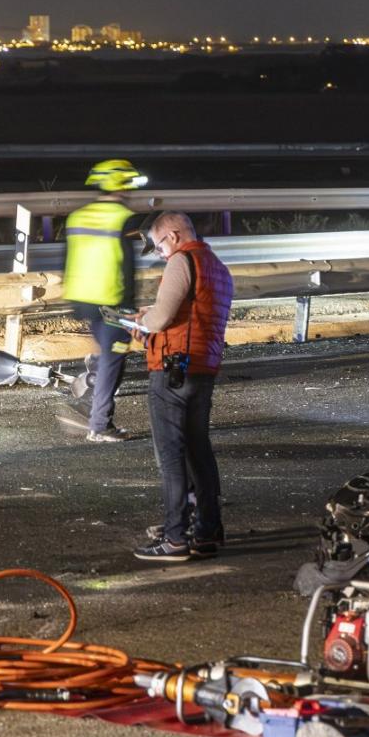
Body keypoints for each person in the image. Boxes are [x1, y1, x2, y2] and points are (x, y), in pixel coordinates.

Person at [133, 212, 233, 562]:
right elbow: (191, 312)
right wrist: (154, 316)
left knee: (172, 456)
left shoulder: (182, 260)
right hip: (203, 367)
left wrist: (141, 321)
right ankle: (208, 530)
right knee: (199, 452)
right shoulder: (216, 265)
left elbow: (160, 319)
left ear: (174, 236)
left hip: (173, 368)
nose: (160, 253)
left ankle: (175, 537)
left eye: (159, 245)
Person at [63, 159, 146, 441]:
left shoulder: (78, 216)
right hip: (112, 300)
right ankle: (100, 425)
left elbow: (69, 259)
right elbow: (127, 266)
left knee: (108, 355)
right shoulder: (123, 218)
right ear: (121, 184)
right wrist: (130, 307)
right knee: (114, 359)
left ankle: (95, 394)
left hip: (84, 299)